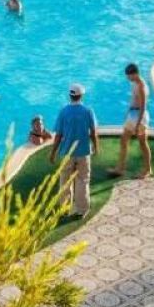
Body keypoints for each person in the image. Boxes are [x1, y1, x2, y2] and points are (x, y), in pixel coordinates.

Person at [49, 83, 99, 219]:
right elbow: (93, 132)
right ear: (81, 95)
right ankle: (81, 210)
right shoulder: (88, 111)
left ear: (70, 95)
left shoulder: (63, 111)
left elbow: (58, 135)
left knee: (65, 181)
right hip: (83, 152)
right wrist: (96, 147)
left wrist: (53, 152)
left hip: (67, 153)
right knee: (83, 180)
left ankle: (64, 209)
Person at [109, 63, 152, 179]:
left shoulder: (141, 86)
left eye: (129, 76)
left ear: (135, 74)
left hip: (139, 117)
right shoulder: (135, 83)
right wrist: (128, 113)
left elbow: (143, 107)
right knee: (123, 141)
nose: (128, 78)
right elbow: (133, 100)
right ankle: (120, 168)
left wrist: (138, 125)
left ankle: (147, 169)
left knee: (143, 144)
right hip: (132, 115)